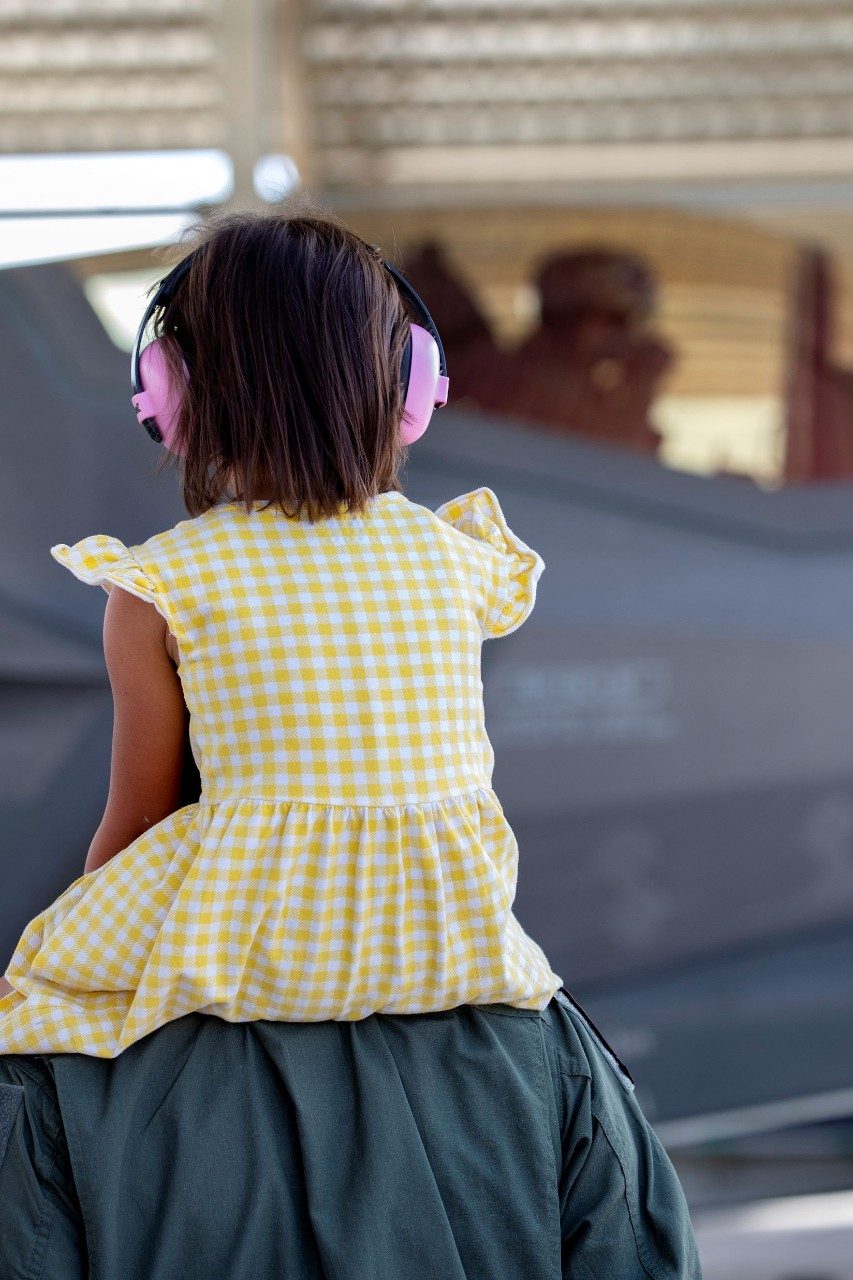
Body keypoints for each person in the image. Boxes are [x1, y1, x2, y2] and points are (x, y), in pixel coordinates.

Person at [0, 205, 702, 1276]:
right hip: (452, 940)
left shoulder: (159, 582)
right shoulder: (457, 561)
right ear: (414, 390)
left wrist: (95, 961)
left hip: (228, 943)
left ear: (172, 399)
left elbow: (136, 824)